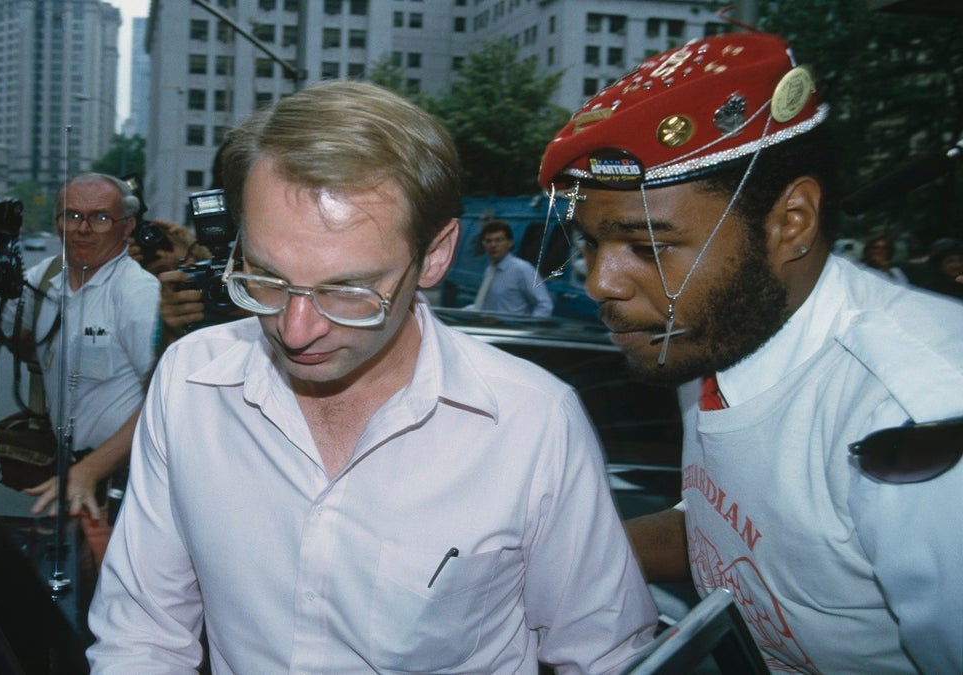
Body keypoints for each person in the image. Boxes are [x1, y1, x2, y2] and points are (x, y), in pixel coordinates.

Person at [87, 81, 657, 673]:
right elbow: (143, 633)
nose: (296, 329)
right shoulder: (190, 381)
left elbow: (603, 657)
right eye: (265, 277)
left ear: (436, 255)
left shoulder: (531, 421)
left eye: (348, 290)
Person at [537, 32, 963, 673]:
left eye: (648, 246)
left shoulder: (918, 416)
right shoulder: (715, 331)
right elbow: (740, 528)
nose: (601, 282)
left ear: (790, 221)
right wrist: (541, 563)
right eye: (591, 244)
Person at [0, 173, 161, 520]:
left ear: (127, 226)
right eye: (71, 215)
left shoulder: (137, 293)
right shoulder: (45, 277)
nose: (82, 229)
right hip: (66, 469)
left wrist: (90, 470)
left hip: (124, 477)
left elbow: (164, 402)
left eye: (101, 217)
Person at [464, 219, 555, 317]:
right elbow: (484, 306)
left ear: (510, 243)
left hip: (512, 330)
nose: (493, 245)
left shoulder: (522, 269)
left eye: (499, 240)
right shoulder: (490, 270)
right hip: (490, 329)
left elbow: (545, 305)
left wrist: (528, 328)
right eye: (488, 241)